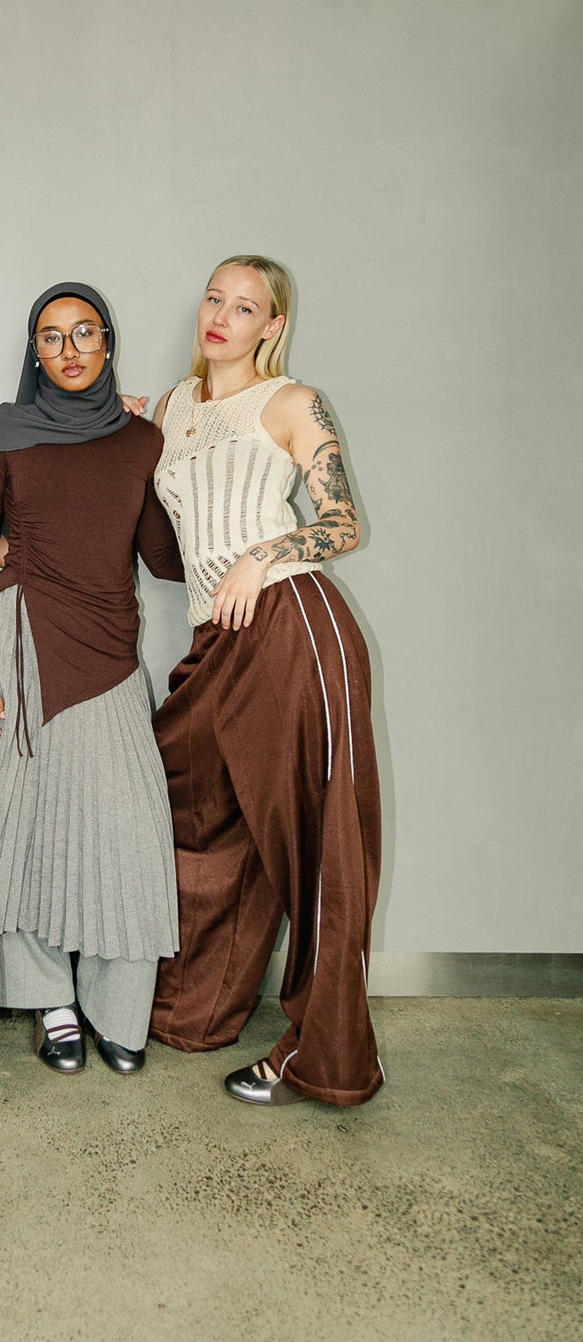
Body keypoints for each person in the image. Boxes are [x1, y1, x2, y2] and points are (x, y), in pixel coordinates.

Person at [149, 254, 384, 1107]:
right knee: (202, 821)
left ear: (272, 326)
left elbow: (343, 524)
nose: (222, 316)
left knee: (321, 845)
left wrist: (263, 555)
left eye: (245, 307)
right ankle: (192, 1012)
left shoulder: (291, 403)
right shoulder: (171, 407)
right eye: (215, 298)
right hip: (214, 637)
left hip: (292, 625)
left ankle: (323, 1057)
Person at [0, 283, 184, 1078]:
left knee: (130, 833)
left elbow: (162, 557)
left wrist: (242, 523)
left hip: (110, 648)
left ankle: (118, 1011)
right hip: (17, 639)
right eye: (51, 337)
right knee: (19, 824)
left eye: (85, 333)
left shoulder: (141, 439)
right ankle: (49, 1001)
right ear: (36, 352)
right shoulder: (4, 433)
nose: (70, 349)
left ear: (108, 342)